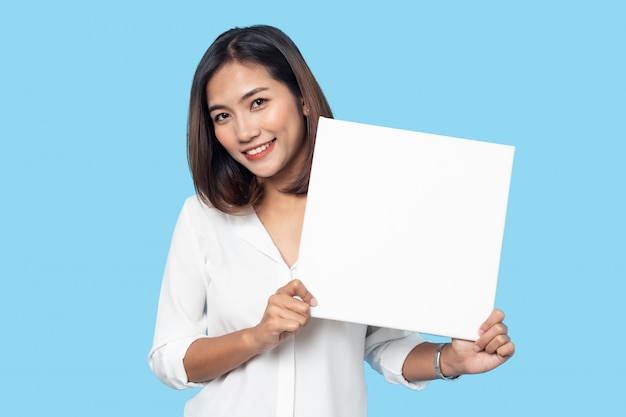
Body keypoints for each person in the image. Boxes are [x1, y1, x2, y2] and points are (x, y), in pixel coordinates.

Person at [148, 25, 515, 417]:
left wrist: (452, 361)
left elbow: (383, 343)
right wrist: (255, 337)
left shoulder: (367, 206)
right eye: (222, 115)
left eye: (257, 102)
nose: (244, 131)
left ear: (303, 99)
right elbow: (170, 358)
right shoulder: (203, 216)